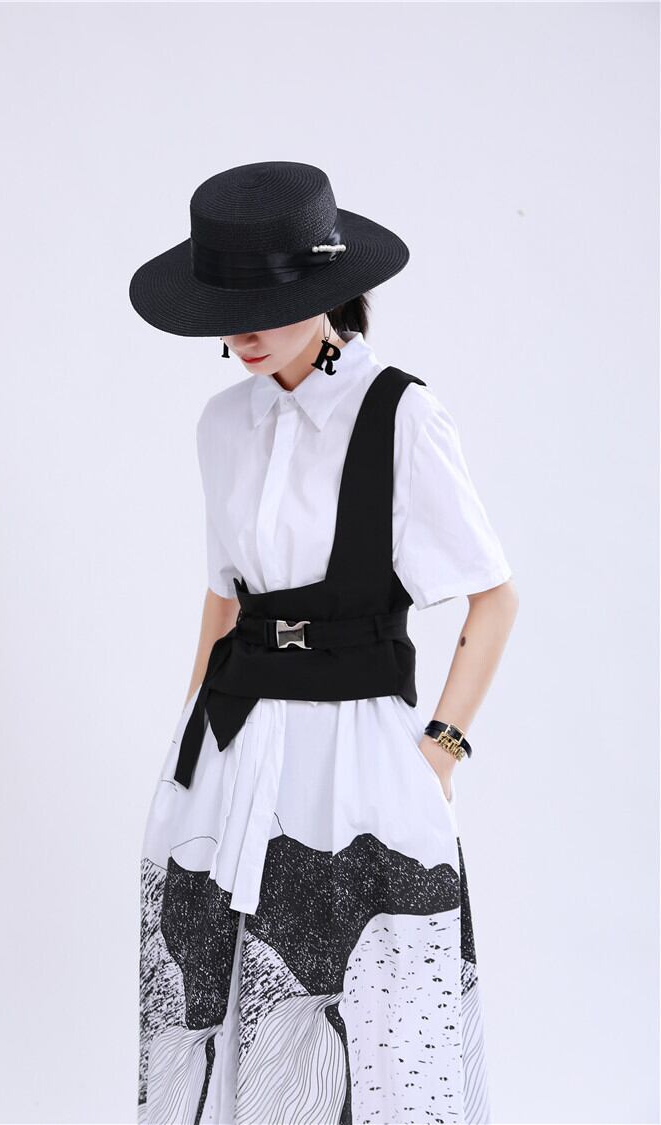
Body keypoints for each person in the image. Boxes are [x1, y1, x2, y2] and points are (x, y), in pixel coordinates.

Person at [129, 160, 519, 1125]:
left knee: (368, 1035)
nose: (243, 331)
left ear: (328, 288)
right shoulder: (222, 423)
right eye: (228, 309)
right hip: (231, 749)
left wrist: (439, 752)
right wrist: (185, 753)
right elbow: (223, 600)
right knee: (213, 1015)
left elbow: (494, 598)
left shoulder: (400, 413)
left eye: (264, 306)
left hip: (357, 761)